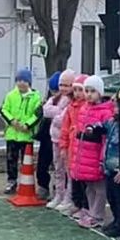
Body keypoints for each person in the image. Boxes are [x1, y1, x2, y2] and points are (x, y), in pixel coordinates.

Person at [71, 75, 115, 228]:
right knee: (89, 186)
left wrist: (102, 157)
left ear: (100, 93)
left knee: (99, 188)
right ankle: (91, 212)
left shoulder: (105, 112)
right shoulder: (84, 109)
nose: (88, 94)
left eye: (92, 91)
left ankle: (98, 215)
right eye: (87, 91)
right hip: (85, 156)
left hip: (96, 155)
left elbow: (106, 137)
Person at [0, 68, 42, 195]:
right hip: (12, 134)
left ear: (29, 82)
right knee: (11, 159)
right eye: (19, 80)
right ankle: (11, 181)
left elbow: (38, 114)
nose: (21, 83)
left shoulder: (35, 97)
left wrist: (27, 125)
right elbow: (3, 110)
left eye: (24, 80)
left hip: (26, 135)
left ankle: (27, 181)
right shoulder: (10, 95)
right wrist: (12, 121)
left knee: (26, 160)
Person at [59, 74, 88, 215]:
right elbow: (65, 127)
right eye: (75, 90)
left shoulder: (87, 108)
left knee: (83, 178)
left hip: (83, 147)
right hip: (72, 147)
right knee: (73, 175)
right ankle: (76, 203)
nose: (77, 93)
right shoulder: (71, 107)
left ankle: (84, 205)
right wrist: (63, 145)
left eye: (80, 90)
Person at [46, 70, 75, 209]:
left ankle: (68, 198)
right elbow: (45, 110)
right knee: (58, 168)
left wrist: (56, 113)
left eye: (67, 85)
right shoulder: (57, 98)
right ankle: (59, 195)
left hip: (68, 141)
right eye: (61, 85)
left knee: (68, 170)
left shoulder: (73, 101)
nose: (63, 88)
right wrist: (58, 112)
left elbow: (62, 120)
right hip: (55, 138)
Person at [101, 94, 120, 239]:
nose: (115, 109)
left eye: (118, 106)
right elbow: (102, 126)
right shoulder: (112, 122)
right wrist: (92, 128)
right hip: (110, 167)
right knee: (111, 196)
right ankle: (116, 220)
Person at [35, 71, 64, 200]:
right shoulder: (49, 101)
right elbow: (43, 113)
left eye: (56, 90)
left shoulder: (65, 102)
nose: (55, 93)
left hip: (60, 137)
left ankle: (59, 190)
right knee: (42, 164)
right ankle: (43, 186)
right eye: (52, 91)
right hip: (47, 137)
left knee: (60, 167)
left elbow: (58, 115)